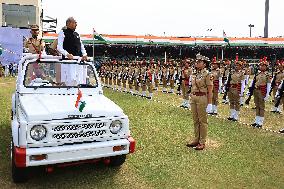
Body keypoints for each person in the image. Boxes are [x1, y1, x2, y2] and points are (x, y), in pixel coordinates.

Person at [186, 53, 213, 150]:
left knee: (202, 121)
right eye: (197, 61)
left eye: (199, 62)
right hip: (194, 97)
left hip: (202, 98)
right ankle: (196, 139)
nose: (197, 63)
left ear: (204, 64)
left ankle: (202, 142)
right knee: (195, 120)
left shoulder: (208, 74)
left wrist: (210, 103)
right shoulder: (194, 73)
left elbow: (210, 90)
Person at [250, 57, 271, 128]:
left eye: (263, 66)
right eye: (261, 65)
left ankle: (260, 122)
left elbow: (268, 85)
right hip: (256, 91)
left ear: (266, 67)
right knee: (257, 106)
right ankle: (256, 121)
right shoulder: (257, 74)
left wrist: (267, 94)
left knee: (261, 107)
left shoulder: (267, 75)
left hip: (262, 91)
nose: (261, 67)